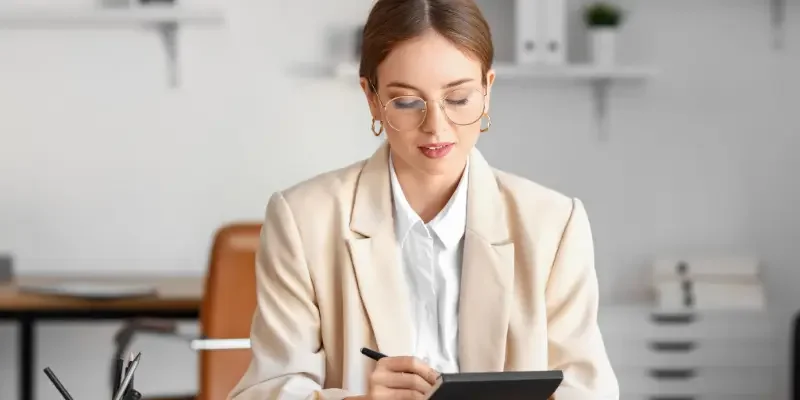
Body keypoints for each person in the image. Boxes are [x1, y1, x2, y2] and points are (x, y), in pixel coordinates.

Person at [228, 0, 619, 399]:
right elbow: (265, 390)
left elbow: (589, 390)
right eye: (407, 101)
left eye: (458, 99)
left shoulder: (553, 224)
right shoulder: (302, 219)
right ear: (372, 97)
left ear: (487, 91)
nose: (436, 127)